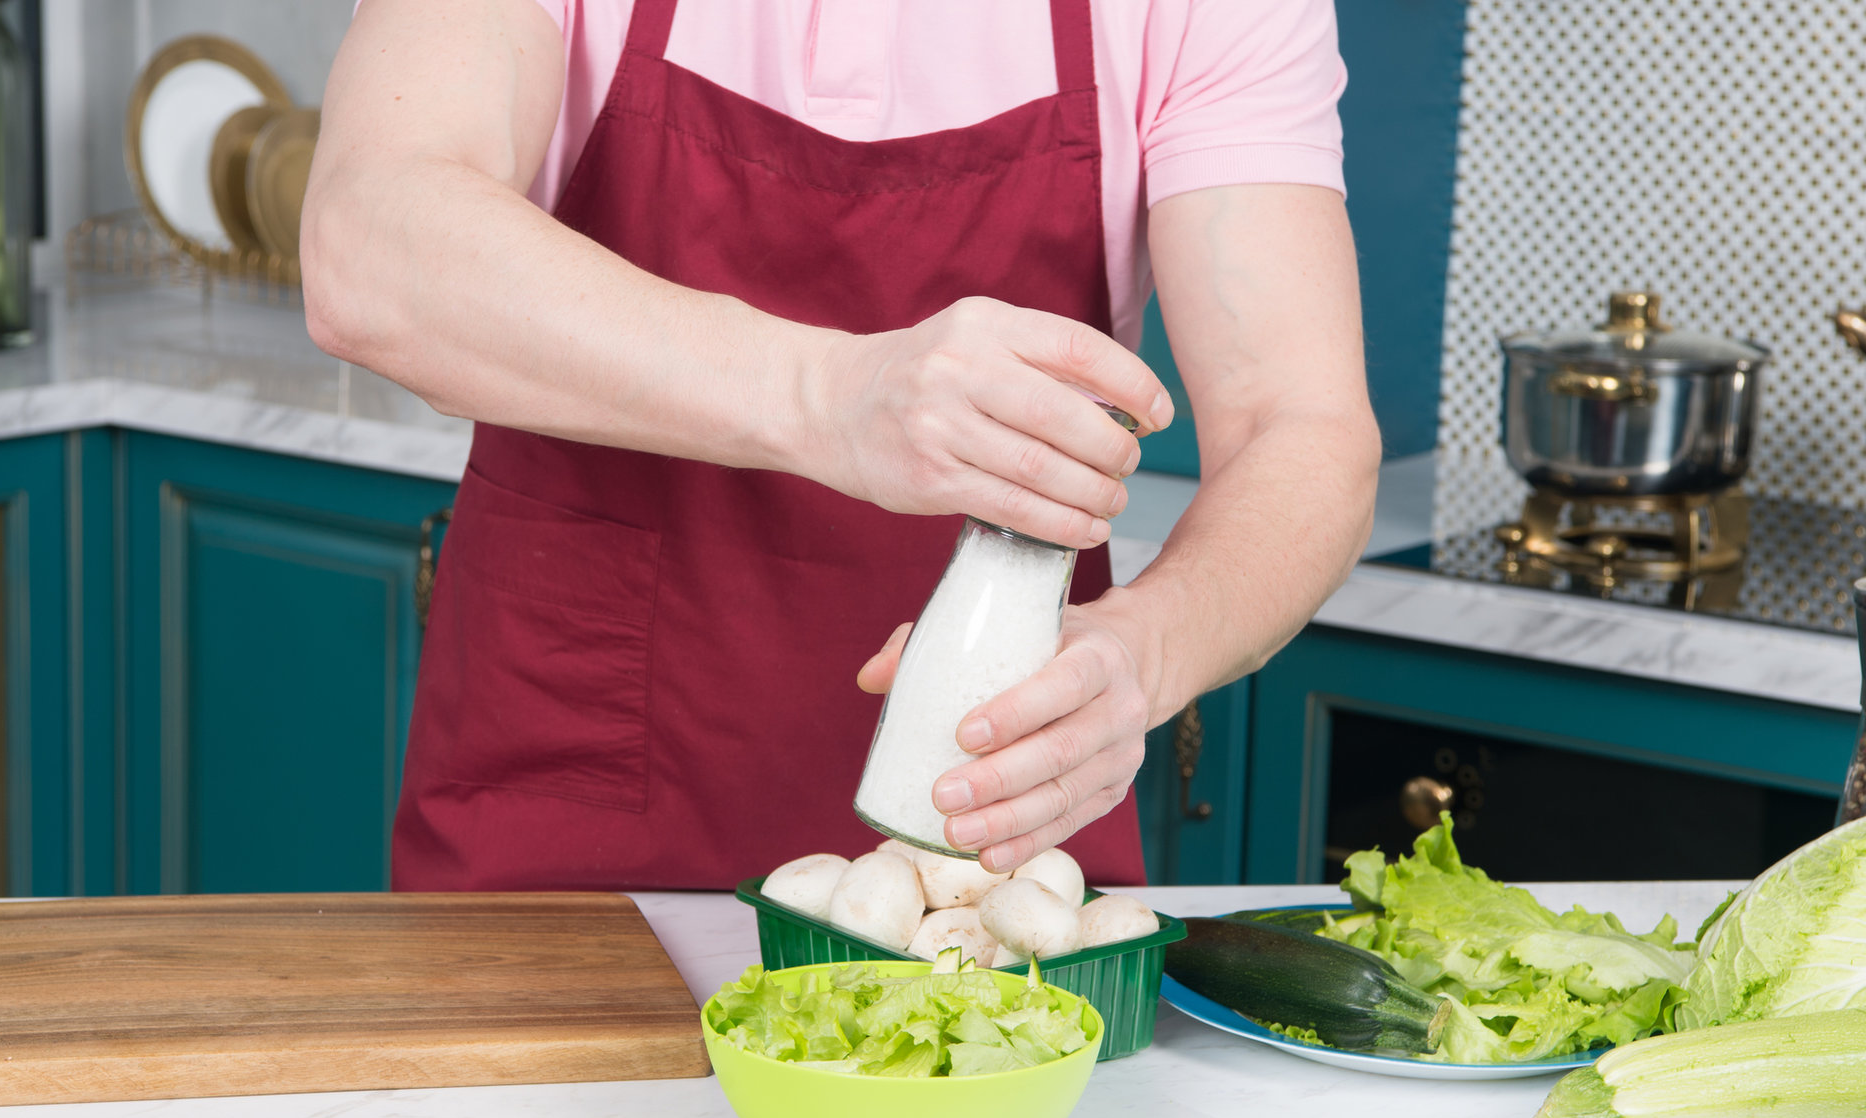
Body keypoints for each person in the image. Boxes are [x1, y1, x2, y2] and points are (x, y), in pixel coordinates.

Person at [302, 0, 1380, 892]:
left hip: (979, 865)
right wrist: (832, 395)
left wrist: (1141, 652)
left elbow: (1303, 429)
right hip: (562, 841)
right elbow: (369, 244)